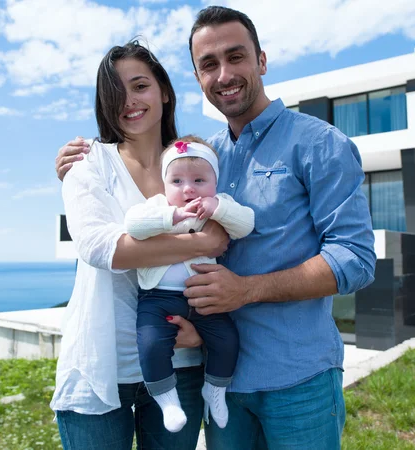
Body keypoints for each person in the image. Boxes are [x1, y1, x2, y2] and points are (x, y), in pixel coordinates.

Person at [56, 6, 376, 449]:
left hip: (298, 377)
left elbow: (355, 260)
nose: (224, 74)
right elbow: (147, 241)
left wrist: (246, 290)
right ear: (196, 77)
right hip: (220, 380)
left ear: (261, 60)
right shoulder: (202, 158)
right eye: (209, 64)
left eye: (236, 57)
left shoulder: (320, 143)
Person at [50, 40, 231, 450]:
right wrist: (201, 241)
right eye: (115, 94)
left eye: (139, 86)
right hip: (99, 368)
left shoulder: (199, 163)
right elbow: (100, 248)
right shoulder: (88, 162)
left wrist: (204, 332)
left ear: (164, 90)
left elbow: (230, 236)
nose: (129, 102)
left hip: (180, 361)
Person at [124, 135, 254, 433]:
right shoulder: (158, 207)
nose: (188, 189)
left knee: (227, 341)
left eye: (199, 180)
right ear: (165, 184)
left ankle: (215, 390)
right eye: (177, 181)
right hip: (157, 299)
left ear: (214, 182)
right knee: (151, 344)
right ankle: (168, 401)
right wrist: (174, 215)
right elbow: (133, 224)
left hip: (206, 297)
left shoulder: (221, 206)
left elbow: (246, 224)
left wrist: (217, 208)